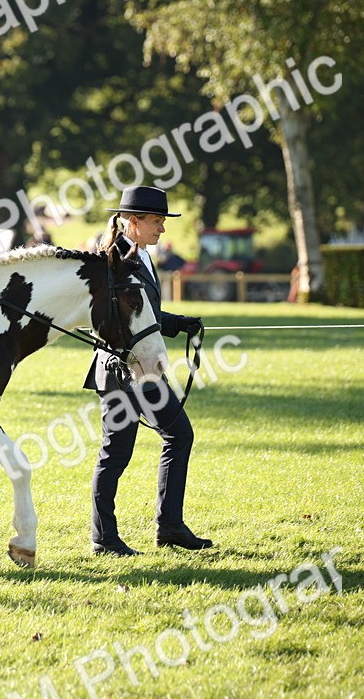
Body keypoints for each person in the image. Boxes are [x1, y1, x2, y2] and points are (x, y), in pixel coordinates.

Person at [84, 186, 213, 555]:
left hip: (148, 371)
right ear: (133, 221)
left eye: (162, 221)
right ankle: (103, 538)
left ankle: (170, 526)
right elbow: (109, 319)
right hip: (119, 371)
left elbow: (144, 316)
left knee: (179, 434)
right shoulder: (114, 259)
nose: (162, 229)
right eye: (156, 221)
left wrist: (177, 323)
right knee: (116, 453)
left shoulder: (145, 255)